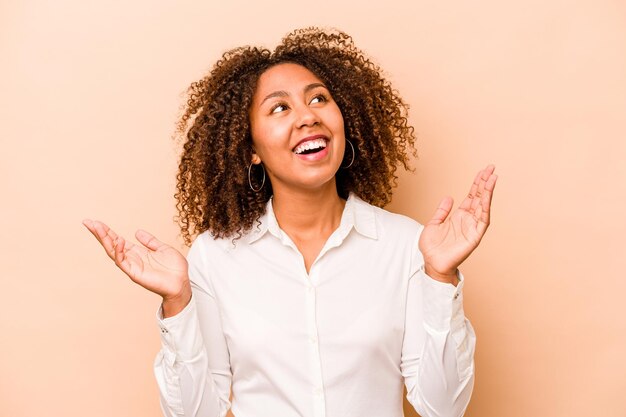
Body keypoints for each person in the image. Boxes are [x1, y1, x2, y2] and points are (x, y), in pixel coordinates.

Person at [83, 27, 497, 417]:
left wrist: (440, 277)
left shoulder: (406, 245)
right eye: (280, 107)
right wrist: (177, 303)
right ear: (251, 150)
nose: (308, 116)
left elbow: (442, 407)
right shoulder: (214, 257)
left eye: (318, 99)